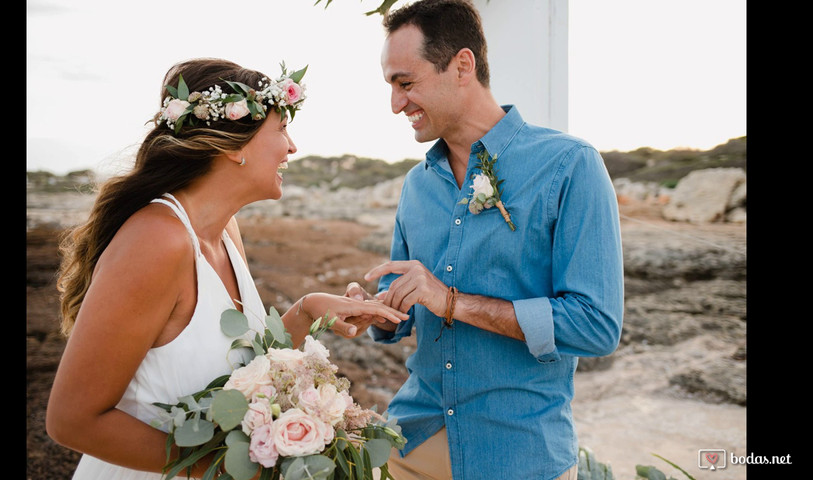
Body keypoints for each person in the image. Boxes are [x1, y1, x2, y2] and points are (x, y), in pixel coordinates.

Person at [45, 57, 408, 480]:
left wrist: (308, 312)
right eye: (282, 130)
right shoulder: (156, 241)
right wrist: (230, 470)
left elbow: (241, 369)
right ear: (234, 146)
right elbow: (72, 420)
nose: (292, 147)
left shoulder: (224, 230)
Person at [346, 1, 625, 479]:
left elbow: (597, 326)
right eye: (391, 86)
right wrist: (377, 309)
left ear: (462, 66)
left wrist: (453, 302)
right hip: (412, 445)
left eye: (405, 83)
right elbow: (412, 305)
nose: (395, 103)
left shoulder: (570, 166)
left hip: (519, 456)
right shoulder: (417, 185)